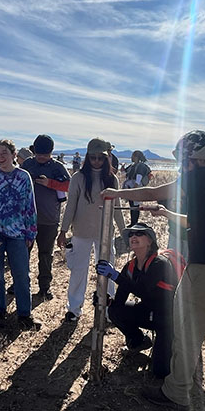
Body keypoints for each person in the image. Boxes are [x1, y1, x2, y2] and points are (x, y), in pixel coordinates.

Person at [104, 131, 205, 407]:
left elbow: (152, 191)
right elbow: (199, 220)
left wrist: (117, 193)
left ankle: (177, 391)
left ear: (190, 159)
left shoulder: (198, 179)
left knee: (185, 328)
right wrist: (166, 213)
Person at [96, 222, 176, 379]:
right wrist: (106, 300)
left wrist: (116, 276)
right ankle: (139, 341)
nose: (133, 236)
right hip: (147, 312)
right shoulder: (130, 267)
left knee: (160, 373)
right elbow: (120, 300)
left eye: (139, 234)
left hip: (168, 319)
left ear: (150, 241)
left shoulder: (160, 263)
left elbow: (143, 290)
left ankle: (171, 348)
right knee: (114, 310)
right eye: (131, 234)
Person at [58, 138, 126, 322]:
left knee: (107, 272)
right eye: (93, 157)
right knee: (79, 271)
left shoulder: (112, 179)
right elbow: (70, 205)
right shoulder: (78, 178)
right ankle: (74, 308)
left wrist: (124, 231)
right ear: (87, 158)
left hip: (105, 234)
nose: (96, 161)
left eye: (100, 158)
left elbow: (117, 208)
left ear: (107, 158)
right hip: (81, 232)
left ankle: (106, 308)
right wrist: (63, 230)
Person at [0, 139, 40, 330]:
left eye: (4, 152)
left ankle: (24, 314)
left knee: (21, 274)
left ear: (14, 155)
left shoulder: (23, 176)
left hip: (18, 233)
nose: (0, 156)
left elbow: (30, 205)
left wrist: (31, 232)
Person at [21, 135, 71, 301]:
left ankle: (44, 288)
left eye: (45, 154)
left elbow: (70, 186)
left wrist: (50, 183)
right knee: (22, 254)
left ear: (51, 153)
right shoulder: (27, 164)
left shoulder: (58, 167)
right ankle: (20, 284)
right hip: (26, 219)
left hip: (49, 219)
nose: (41, 158)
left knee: (45, 254)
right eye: (39, 154)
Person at [123, 151, 152, 225]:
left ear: (136, 157)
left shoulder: (140, 166)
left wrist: (135, 187)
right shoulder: (133, 165)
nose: (131, 157)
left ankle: (134, 222)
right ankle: (133, 222)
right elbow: (125, 172)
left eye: (132, 156)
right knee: (132, 205)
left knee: (135, 206)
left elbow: (139, 176)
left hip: (136, 187)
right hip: (132, 187)